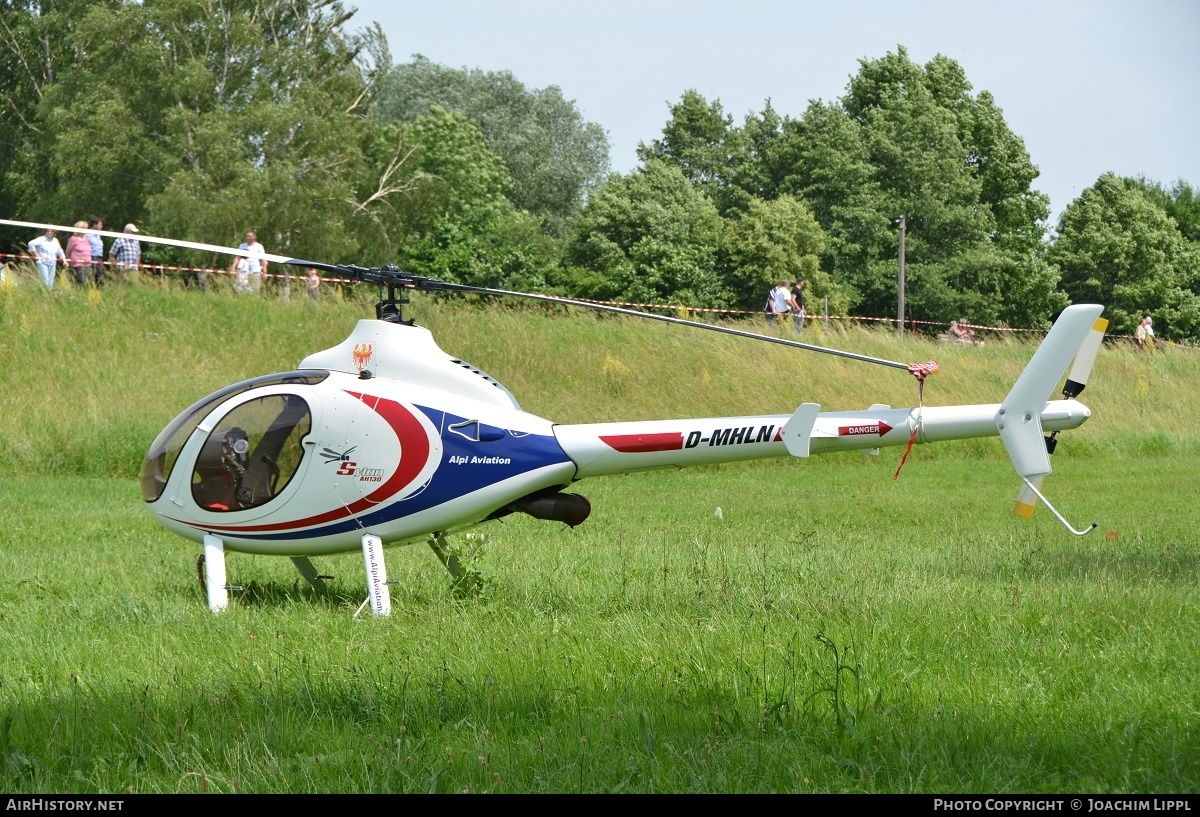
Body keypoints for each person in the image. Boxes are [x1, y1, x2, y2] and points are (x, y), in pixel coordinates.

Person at [230, 230, 267, 295]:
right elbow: (237, 257)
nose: (247, 237)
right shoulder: (242, 246)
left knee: (255, 289)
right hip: (244, 270)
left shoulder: (259, 247)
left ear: (254, 237)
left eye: (249, 236)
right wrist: (233, 267)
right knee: (241, 288)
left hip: (255, 271)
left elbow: (263, 260)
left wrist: (264, 272)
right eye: (246, 236)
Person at [65, 221, 93, 287]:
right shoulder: (73, 239)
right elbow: (68, 251)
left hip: (87, 263)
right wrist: (68, 261)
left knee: (86, 281)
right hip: (78, 264)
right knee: (81, 281)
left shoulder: (87, 239)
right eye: (82, 228)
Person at [87, 216, 106, 287]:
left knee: (100, 275)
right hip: (92, 256)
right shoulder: (87, 234)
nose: (102, 226)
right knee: (92, 274)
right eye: (100, 224)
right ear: (94, 225)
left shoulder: (98, 234)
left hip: (99, 256)